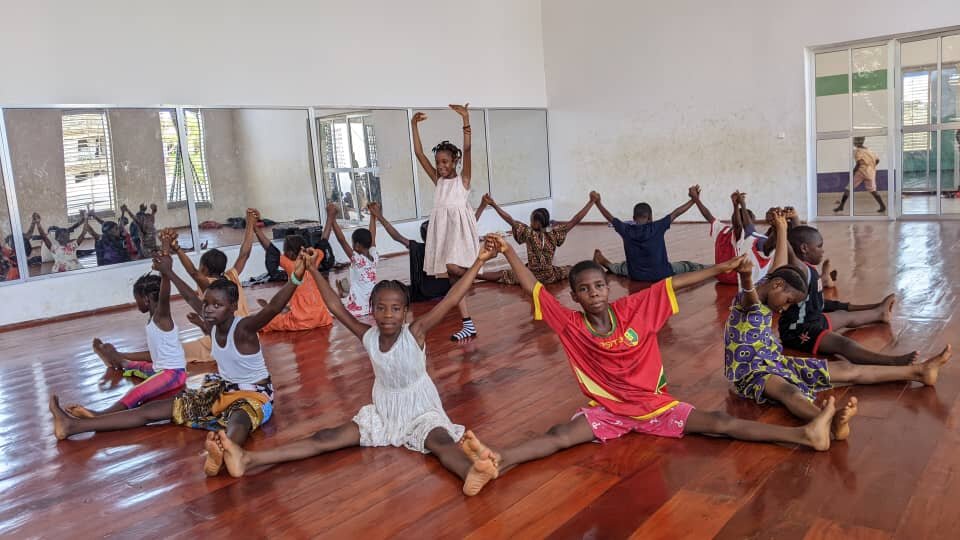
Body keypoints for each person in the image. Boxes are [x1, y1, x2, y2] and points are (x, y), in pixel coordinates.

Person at [451, 240, 845, 497]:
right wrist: (507, 251)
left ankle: (805, 434)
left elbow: (675, 285)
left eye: (599, 286)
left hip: (654, 404)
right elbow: (531, 288)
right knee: (558, 435)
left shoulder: (632, 309)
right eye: (584, 290)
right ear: (573, 296)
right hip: (609, 411)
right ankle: (497, 461)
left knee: (718, 424)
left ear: (609, 287)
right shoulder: (569, 323)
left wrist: (720, 266)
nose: (593, 294)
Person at [207, 241, 501, 497]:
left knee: (442, 443)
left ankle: (470, 473)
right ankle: (248, 459)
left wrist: (479, 261)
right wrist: (311, 270)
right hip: (384, 411)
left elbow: (451, 299)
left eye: (396, 309)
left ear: (405, 312)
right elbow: (335, 306)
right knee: (326, 438)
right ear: (372, 309)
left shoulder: (416, 333)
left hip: (421, 409)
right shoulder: (368, 335)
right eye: (382, 308)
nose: (388, 315)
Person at [48, 251, 309, 477]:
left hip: (254, 395)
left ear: (232, 307)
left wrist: (296, 277)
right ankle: (74, 426)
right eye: (207, 303)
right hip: (223, 390)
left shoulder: (244, 328)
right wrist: (168, 273)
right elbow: (188, 295)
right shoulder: (212, 321)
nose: (208, 309)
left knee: (239, 422)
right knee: (151, 411)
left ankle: (225, 452)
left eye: (217, 305)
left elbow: (274, 307)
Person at [725, 256, 951, 442]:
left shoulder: (771, 283)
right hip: (752, 372)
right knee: (788, 392)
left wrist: (782, 227)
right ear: (777, 286)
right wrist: (745, 276)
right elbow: (751, 300)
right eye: (788, 301)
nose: (785, 308)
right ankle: (830, 423)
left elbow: (779, 262)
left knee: (846, 368)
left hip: (775, 361)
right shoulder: (747, 301)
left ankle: (917, 371)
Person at [779, 224, 914, 365]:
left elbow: (797, 236)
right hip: (798, 330)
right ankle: (891, 361)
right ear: (804, 248)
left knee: (845, 316)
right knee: (843, 344)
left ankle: (880, 313)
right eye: (819, 246)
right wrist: (781, 228)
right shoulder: (799, 270)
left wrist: (790, 221)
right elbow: (791, 253)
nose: (823, 250)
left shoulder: (807, 268)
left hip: (814, 319)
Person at [66, 272, 187, 417]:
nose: (136, 304)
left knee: (137, 391)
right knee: (137, 366)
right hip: (159, 368)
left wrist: (165, 272)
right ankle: (117, 360)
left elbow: (165, 296)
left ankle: (99, 415)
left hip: (173, 374)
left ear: (146, 299)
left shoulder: (162, 317)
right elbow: (154, 355)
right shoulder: (153, 319)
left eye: (137, 300)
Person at [412, 103, 480, 341]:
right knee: (452, 279)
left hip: (460, 231)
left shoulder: (463, 180)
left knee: (453, 268)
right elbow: (419, 155)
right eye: (438, 162)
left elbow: (468, 148)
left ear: (455, 162)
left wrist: (466, 119)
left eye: (445, 162)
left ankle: (474, 271)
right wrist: (413, 126)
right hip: (443, 231)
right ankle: (467, 323)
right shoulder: (438, 181)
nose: (441, 166)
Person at [368, 200, 489, 303]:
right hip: (445, 288)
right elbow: (468, 227)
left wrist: (379, 216)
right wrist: (482, 206)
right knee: (467, 273)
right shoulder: (446, 245)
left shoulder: (422, 247)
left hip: (428, 289)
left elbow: (397, 236)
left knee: (395, 289)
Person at [591, 187, 710, 282]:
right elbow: (677, 213)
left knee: (622, 267)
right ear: (651, 218)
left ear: (633, 218)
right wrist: (694, 199)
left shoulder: (625, 229)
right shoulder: (658, 226)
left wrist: (598, 203)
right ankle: (715, 268)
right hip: (662, 274)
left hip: (636, 275)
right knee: (688, 266)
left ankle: (604, 261)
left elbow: (609, 217)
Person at [476, 193, 594, 285]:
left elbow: (509, 219)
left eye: (531, 220)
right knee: (570, 269)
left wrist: (494, 205)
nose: (530, 222)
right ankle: (595, 265)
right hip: (549, 276)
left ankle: (475, 275)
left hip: (530, 276)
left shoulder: (529, 233)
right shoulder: (554, 234)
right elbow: (575, 219)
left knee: (502, 274)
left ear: (537, 223)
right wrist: (591, 202)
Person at [257, 232, 334, 333]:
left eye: (285, 251)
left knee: (263, 322)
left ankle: (277, 310)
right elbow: (323, 241)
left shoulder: (290, 265)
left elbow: (270, 248)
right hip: (322, 318)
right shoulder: (314, 260)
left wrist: (255, 228)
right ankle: (284, 309)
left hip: (301, 321)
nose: (283, 254)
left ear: (290, 253)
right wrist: (330, 219)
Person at [709, 191, 773, 285]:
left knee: (697, 268)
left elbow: (708, 216)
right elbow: (740, 226)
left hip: (720, 275)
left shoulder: (724, 229)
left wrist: (696, 199)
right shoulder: (744, 235)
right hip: (737, 278)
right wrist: (740, 205)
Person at [326, 202, 378, 318]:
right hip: (372, 304)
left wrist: (332, 219)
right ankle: (345, 292)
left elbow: (341, 240)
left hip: (359, 304)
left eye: (353, 242)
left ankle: (345, 293)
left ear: (357, 245)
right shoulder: (374, 256)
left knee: (333, 309)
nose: (351, 244)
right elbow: (372, 236)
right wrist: (373, 216)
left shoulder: (358, 260)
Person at [835, 137, 885, 214]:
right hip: (871, 172)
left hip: (861, 172)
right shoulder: (869, 150)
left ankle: (841, 206)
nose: (853, 143)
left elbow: (858, 164)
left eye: (854, 141)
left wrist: (853, 172)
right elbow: (877, 160)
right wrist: (872, 166)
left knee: (848, 188)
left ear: (856, 142)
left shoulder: (857, 151)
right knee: (873, 190)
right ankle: (882, 206)